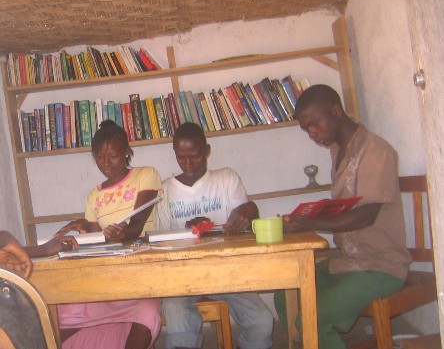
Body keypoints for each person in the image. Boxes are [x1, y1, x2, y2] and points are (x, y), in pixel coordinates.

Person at [273, 84, 411, 349]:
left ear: (336, 111)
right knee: (285, 294)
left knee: (312, 319)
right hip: (348, 261)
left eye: (315, 124)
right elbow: (348, 206)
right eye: (306, 129)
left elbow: (365, 216)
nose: (312, 134)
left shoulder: (375, 151)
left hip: (380, 266)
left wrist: (310, 222)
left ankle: (316, 337)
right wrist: (309, 216)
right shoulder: (338, 150)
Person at [157, 122, 273, 349]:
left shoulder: (226, 178)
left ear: (207, 151)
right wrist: (186, 230)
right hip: (182, 274)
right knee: (177, 317)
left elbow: (247, 216)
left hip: (226, 270)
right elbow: (161, 242)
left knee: (262, 320)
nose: (188, 164)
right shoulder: (165, 191)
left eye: (195, 156)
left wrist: (248, 213)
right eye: (181, 157)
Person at [54, 120, 163, 349]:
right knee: (62, 311)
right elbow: (95, 247)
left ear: (126, 152)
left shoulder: (146, 175)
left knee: (146, 312)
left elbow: (136, 226)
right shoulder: (94, 195)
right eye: (99, 157)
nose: (106, 163)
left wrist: (120, 235)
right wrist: (82, 235)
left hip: (141, 274)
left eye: (112, 155)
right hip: (106, 278)